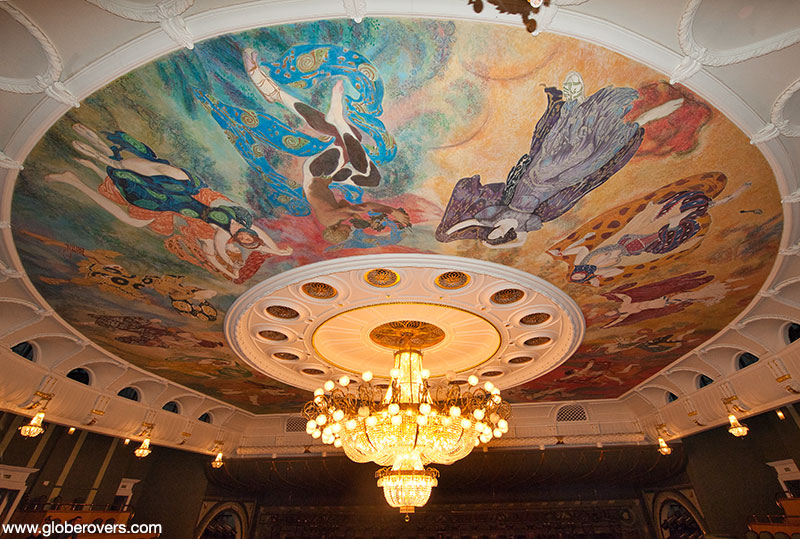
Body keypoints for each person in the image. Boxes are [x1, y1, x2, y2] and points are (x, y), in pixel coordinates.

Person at [46, 124, 291, 282]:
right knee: (150, 169)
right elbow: (263, 240)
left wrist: (231, 270)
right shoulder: (245, 221)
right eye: (245, 244)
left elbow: (216, 256)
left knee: (132, 210)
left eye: (238, 247)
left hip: (177, 204)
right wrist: (276, 250)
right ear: (250, 237)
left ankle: (81, 176)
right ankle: (100, 150)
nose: (241, 244)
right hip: (193, 188)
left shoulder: (216, 236)